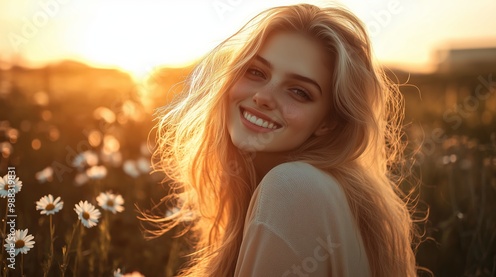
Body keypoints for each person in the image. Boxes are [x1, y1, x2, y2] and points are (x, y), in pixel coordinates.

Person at [147, 3, 421, 276]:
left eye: (299, 92)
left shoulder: (292, 187)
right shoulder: (322, 188)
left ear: (329, 122)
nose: (263, 97)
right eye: (256, 72)